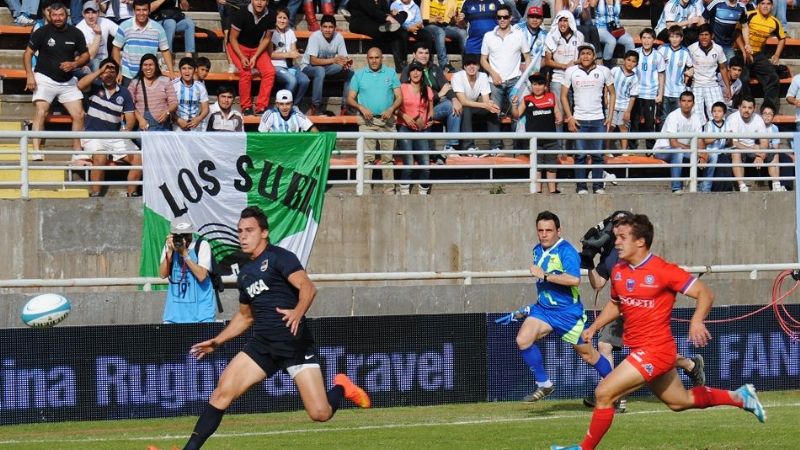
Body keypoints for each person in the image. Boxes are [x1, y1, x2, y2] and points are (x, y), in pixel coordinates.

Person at [552, 214, 766, 450]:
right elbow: (616, 303)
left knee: (603, 393)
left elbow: (705, 293)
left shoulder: (663, 270)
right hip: (642, 350)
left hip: (656, 351)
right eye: (616, 238)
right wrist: (594, 327)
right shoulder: (620, 270)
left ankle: (584, 449)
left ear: (640, 241)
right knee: (679, 401)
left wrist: (696, 321)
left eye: (622, 238)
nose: (617, 243)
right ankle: (739, 397)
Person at [181, 206, 371, 450]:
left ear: (264, 233)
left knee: (320, 413)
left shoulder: (280, 257)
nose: (243, 236)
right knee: (221, 394)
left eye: (249, 230)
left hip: (293, 345)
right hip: (262, 346)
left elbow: (307, 288)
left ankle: (342, 387)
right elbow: (245, 317)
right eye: (240, 231)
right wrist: (217, 341)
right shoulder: (245, 273)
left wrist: (297, 311)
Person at [579, 210, 707, 414]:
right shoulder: (613, 254)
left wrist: (697, 320)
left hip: (644, 313)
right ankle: (613, 395)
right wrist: (588, 264)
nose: (616, 232)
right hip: (622, 308)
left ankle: (688, 364)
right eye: (615, 227)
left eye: (622, 230)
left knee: (671, 388)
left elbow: (701, 291)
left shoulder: (637, 255)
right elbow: (599, 284)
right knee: (605, 345)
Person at [496, 211, 613, 403]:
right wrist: (527, 310)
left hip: (568, 314)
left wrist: (545, 276)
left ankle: (616, 386)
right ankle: (545, 384)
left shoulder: (567, 251)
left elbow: (574, 280)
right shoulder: (537, 250)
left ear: (558, 231)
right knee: (523, 339)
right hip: (543, 310)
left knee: (589, 355)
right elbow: (545, 288)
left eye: (548, 230)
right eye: (540, 230)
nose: (544, 234)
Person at [23, 2, 88, 161]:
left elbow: (86, 55)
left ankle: (77, 152)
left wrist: (74, 64)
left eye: (61, 15)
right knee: (41, 111)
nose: (58, 18)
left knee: (79, 114)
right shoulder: (42, 32)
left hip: (67, 81)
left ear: (66, 15)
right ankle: (36, 150)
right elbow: (27, 54)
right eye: (55, 15)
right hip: (44, 78)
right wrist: (30, 75)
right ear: (49, 16)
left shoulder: (76, 33)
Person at [77, 58, 141, 198]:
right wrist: (100, 70)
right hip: (93, 135)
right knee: (100, 157)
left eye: (112, 70)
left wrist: (128, 130)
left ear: (117, 74)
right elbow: (80, 85)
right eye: (106, 71)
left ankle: (132, 193)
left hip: (115, 136)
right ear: (101, 73)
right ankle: (96, 194)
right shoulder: (94, 85)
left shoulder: (124, 92)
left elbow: (130, 117)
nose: (109, 73)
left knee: (138, 158)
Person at [347, 47, 402, 194]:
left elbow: (399, 97)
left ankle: (389, 192)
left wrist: (391, 109)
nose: (374, 60)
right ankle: (365, 193)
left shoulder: (391, 73)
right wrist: (361, 108)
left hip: (387, 121)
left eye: (377, 57)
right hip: (367, 123)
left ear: (382, 58)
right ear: (367, 59)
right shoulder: (359, 75)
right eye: (371, 58)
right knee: (367, 159)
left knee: (388, 159)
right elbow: (350, 98)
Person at [562, 43, 615, 195]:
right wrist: (570, 117)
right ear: (579, 56)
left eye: (588, 53)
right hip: (579, 119)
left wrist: (610, 116)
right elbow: (563, 95)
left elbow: (613, 93)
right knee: (580, 156)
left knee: (598, 155)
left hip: (598, 119)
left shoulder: (604, 71)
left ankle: (598, 186)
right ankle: (581, 187)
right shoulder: (571, 71)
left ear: (594, 56)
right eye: (583, 53)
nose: (585, 56)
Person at [480, 4, 530, 154]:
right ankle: (495, 147)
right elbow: (483, 60)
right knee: (493, 113)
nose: (502, 20)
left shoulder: (519, 34)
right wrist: (493, 73)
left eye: (505, 17)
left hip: (515, 80)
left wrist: (524, 76)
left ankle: (519, 148)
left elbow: (527, 57)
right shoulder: (488, 36)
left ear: (511, 18)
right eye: (499, 17)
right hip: (495, 81)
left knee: (517, 115)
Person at [400, 43, 461, 161]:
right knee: (447, 105)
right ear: (414, 55)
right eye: (420, 53)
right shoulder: (409, 71)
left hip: (433, 108)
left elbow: (445, 85)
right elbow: (412, 95)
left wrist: (454, 99)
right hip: (415, 112)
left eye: (426, 53)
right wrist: (439, 95)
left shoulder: (434, 68)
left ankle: (451, 146)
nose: (424, 56)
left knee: (452, 105)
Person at [158, 216, 216, 324]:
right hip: (174, 315)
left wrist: (185, 254)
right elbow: (162, 274)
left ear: (191, 234)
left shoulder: (201, 245)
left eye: (186, 235)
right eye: (179, 236)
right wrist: (169, 252)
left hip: (201, 315)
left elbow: (202, 275)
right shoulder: (170, 246)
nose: (183, 239)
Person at [513, 74, 560, 194]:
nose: (537, 87)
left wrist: (559, 117)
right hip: (535, 141)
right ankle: (537, 191)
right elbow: (516, 114)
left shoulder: (551, 96)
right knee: (537, 166)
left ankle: (553, 190)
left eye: (540, 84)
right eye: (534, 84)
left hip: (551, 139)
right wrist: (514, 105)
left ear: (545, 86)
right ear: (531, 86)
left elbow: (557, 112)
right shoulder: (527, 99)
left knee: (551, 166)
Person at [229, 0, 277, 115]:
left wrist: (255, 56)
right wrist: (241, 57)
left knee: (270, 72)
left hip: (256, 48)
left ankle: (261, 106)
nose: (259, 2)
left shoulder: (271, 15)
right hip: (238, 46)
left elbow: (266, 39)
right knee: (246, 72)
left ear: (267, 2)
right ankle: (246, 106)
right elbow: (232, 38)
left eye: (263, 0)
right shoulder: (242, 13)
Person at [653, 91, 706, 193]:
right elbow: (673, 143)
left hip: (684, 150)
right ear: (679, 102)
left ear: (693, 103)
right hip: (663, 150)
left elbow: (700, 140)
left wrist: (703, 153)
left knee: (712, 156)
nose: (686, 103)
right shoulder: (673, 116)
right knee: (678, 152)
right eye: (684, 101)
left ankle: (705, 187)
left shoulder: (696, 118)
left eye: (689, 101)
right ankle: (676, 188)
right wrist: (695, 151)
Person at [301, 14, 354, 117]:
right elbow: (313, 61)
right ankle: (315, 107)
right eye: (325, 27)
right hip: (308, 68)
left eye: (330, 27)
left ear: (335, 28)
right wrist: (334, 60)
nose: (327, 30)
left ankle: (345, 108)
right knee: (319, 70)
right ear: (320, 28)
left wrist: (346, 62)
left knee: (350, 72)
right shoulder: (315, 36)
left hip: (327, 68)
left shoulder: (338, 37)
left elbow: (343, 58)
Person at [112, 0, 174, 86]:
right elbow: (116, 49)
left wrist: (171, 72)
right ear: (134, 11)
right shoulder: (124, 26)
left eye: (144, 10)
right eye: (138, 10)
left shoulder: (158, 28)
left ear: (149, 11)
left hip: (150, 75)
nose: (141, 13)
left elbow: (165, 51)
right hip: (128, 76)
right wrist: (118, 71)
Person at [396, 61, 434, 195]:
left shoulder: (427, 89)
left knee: (425, 164)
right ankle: (405, 192)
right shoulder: (402, 87)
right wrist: (404, 116)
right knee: (409, 162)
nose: (416, 73)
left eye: (418, 70)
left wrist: (430, 120)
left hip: (421, 129)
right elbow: (395, 108)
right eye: (413, 70)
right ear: (409, 73)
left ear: (422, 73)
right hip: (405, 127)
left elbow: (431, 110)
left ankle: (422, 194)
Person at [543, 11, 583, 137]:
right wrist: (564, 66)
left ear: (570, 21)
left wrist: (574, 63)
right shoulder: (551, 36)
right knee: (559, 114)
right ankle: (559, 149)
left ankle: (575, 148)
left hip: (576, 77)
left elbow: (583, 57)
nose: (563, 23)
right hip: (558, 77)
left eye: (565, 20)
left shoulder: (579, 36)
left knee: (576, 113)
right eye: (560, 20)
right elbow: (548, 60)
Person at [740, 0, 784, 114]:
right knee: (743, 79)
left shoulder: (775, 21)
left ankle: (767, 109)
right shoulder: (750, 15)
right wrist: (745, 50)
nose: (765, 6)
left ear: (772, 6)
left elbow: (782, 38)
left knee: (773, 78)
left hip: (758, 55)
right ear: (758, 5)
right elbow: (736, 33)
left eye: (768, 4)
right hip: (741, 52)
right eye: (763, 3)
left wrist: (777, 55)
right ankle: (745, 108)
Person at [452, 54, 500, 155]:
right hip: (459, 109)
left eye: (474, 64)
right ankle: (469, 147)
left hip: (474, 107)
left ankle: (495, 147)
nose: (471, 66)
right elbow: (463, 101)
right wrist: (485, 105)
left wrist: (490, 105)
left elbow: (486, 100)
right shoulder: (457, 76)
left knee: (492, 110)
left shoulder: (482, 76)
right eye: (468, 64)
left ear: (478, 66)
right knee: (466, 108)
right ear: (464, 67)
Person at [347, 0, 409, 73]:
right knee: (398, 33)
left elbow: (385, 12)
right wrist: (388, 18)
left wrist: (391, 14)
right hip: (361, 22)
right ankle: (402, 66)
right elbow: (372, 11)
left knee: (403, 14)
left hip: (379, 22)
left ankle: (402, 64)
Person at [631, 28, 664, 151]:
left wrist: (660, 94)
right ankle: (632, 148)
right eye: (644, 38)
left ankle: (650, 149)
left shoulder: (658, 56)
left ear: (654, 40)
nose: (646, 41)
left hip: (651, 94)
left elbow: (661, 75)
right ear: (641, 39)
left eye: (649, 38)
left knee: (650, 123)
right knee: (635, 122)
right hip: (636, 93)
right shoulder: (635, 53)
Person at [687, 24, 729, 122]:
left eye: (706, 35)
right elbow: (688, 67)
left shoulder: (718, 49)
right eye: (701, 35)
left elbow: (723, 68)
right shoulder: (692, 48)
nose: (704, 37)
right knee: (697, 116)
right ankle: (699, 137)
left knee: (718, 114)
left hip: (713, 85)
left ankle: (718, 137)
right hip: (696, 85)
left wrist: (728, 88)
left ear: (712, 36)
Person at [270, 8, 310, 107]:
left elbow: (293, 51)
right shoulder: (271, 32)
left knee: (305, 80)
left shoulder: (290, 32)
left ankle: (294, 106)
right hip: (275, 66)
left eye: (285, 18)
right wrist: (288, 54)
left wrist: (296, 54)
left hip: (289, 66)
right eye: (280, 18)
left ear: (288, 20)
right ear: (275, 19)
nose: (282, 20)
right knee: (292, 81)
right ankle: (280, 106)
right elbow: (270, 54)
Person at [727, 96, 768, 193]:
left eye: (750, 108)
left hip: (753, 150)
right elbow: (734, 142)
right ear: (739, 107)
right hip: (737, 149)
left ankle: (776, 184)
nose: (747, 110)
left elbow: (765, 141)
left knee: (774, 153)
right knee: (736, 152)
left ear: (754, 108)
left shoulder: (758, 118)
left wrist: (760, 156)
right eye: (744, 107)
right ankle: (742, 186)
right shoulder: (732, 118)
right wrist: (752, 149)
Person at [129, 53, 178, 131]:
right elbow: (129, 104)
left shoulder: (165, 80)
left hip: (162, 127)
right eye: (145, 65)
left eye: (151, 65)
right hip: (142, 126)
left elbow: (174, 102)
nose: (148, 68)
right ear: (141, 67)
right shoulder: (135, 83)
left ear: (156, 67)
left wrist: (167, 112)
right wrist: (140, 119)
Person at [658, 26, 692, 123]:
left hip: (678, 91)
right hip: (664, 91)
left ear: (681, 38)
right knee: (664, 118)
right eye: (672, 37)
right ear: (669, 38)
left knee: (677, 119)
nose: (674, 39)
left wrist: (690, 72)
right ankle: (663, 138)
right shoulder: (662, 49)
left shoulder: (685, 52)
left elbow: (691, 66)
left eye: (677, 37)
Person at [421, 0, 466, 73]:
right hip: (429, 26)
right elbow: (422, 20)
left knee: (463, 32)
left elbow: (453, 22)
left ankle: (466, 63)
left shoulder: (452, 2)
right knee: (440, 32)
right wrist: (433, 19)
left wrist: (457, 20)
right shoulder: (427, 1)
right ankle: (444, 64)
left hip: (445, 26)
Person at [76, 1, 119, 72]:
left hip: (104, 59)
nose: (90, 16)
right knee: (96, 62)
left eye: (93, 12)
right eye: (87, 13)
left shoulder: (105, 22)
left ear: (98, 13)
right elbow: (90, 56)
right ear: (83, 14)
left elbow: (122, 35)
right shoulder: (79, 29)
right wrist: (98, 34)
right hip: (88, 62)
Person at [609, 51, 639, 154]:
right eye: (628, 60)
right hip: (611, 104)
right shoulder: (615, 70)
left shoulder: (635, 78)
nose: (630, 63)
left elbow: (632, 96)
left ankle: (624, 151)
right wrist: (605, 97)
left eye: (634, 61)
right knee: (610, 127)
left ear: (636, 64)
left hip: (624, 105)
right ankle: (606, 150)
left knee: (623, 127)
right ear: (624, 60)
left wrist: (628, 111)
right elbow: (607, 84)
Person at [591, 0, 634, 68]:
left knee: (629, 40)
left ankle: (629, 67)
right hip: (600, 28)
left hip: (615, 29)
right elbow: (592, 4)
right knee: (611, 41)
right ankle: (606, 66)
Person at [171, 57, 209, 132]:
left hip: (195, 124)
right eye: (184, 68)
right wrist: (178, 120)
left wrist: (199, 119)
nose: (187, 72)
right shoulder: (173, 85)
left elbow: (206, 108)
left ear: (195, 70)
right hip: (177, 124)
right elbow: (167, 107)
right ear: (180, 70)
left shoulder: (200, 86)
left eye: (190, 68)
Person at [699, 102, 730, 192]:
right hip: (711, 151)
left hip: (723, 150)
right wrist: (718, 136)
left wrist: (729, 137)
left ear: (724, 113)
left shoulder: (727, 124)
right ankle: (706, 187)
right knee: (714, 157)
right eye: (714, 111)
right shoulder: (709, 124)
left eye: (719, 111)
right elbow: (706, 140)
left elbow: (729, 141)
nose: (716, 113)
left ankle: (725, 187)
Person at [759, 102, 786, 192]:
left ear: (773, 116)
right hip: (757, 150)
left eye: (770, 114)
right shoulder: (757, 126)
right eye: (765, 114)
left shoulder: (774, 128)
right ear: (761, 115)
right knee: (773, 153)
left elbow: (776, 147)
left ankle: (776, 184)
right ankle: (776, 184)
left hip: (769, 152)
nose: (767, 116)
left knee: (776, 154)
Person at [516, 6, 546, 76]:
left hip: (535, 68)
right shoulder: (517, 29)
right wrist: (518, 66)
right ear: (527, 18)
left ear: (542, 20)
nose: (534, 20)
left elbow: (545, 59)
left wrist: (534, 70)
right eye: (532, 17)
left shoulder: (545, 35)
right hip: (517, 66)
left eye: (538, 17)